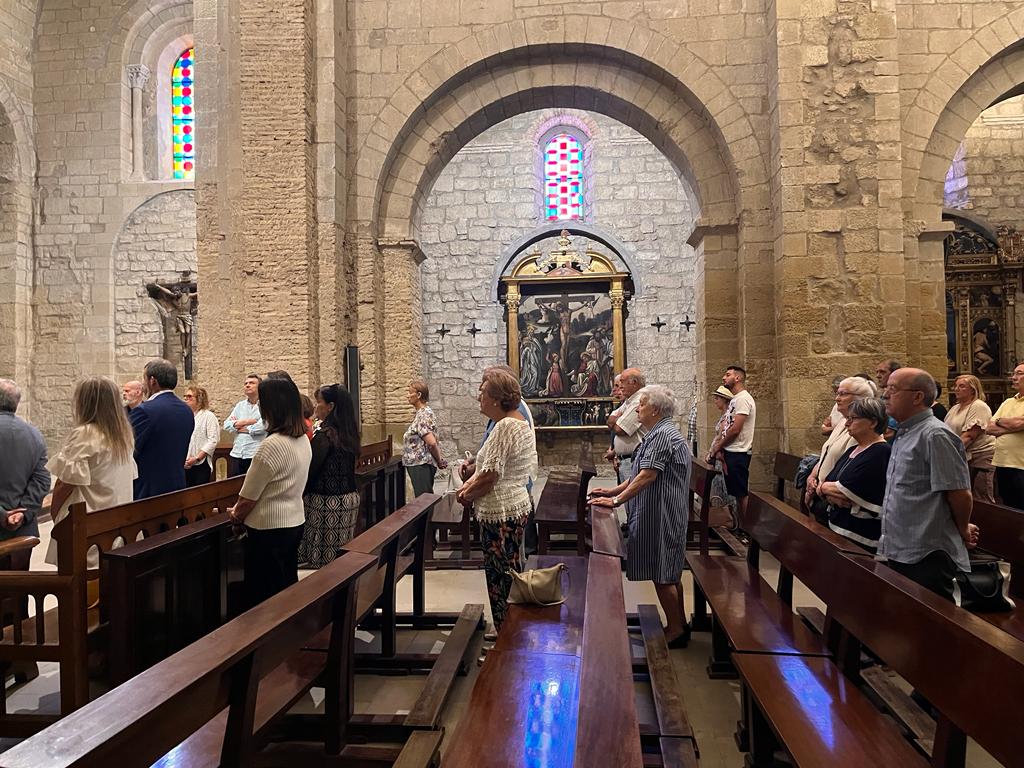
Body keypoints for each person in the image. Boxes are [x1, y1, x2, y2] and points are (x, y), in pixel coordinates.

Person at [591, 385, 692, 647]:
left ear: (656, 410)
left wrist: (614, 501)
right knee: (668, 571)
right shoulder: (657, 432)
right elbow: (640, 472)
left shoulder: (662, 436)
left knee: (663, 573)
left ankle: (676, 630)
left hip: (663, 512)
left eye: (642, 404)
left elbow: (647, 476)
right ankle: (677, 622)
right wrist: (614, 490)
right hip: (659, 509)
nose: (637, 408)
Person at [880, 368, 977, 602]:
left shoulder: (935, 435)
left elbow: (959, 493)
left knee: (928, 626)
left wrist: (963, 528)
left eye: (892, 389)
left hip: (926, 550)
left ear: (917, 397)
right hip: (900, 544)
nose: (885, 395)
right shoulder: (905, 433)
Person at [456, 368, 537, 632]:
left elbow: (490, 475)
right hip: (514, 507)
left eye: (482, 393)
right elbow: (489, 469)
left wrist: (466, 493)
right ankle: (513, 633)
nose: (478, 398)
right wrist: (471, 482)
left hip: (501, 513)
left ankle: (507, 640)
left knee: (501, 579)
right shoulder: (517, 422)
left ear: (495, 398)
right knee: (510, 572)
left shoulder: (504, 427)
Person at [228, 377, 312, 609]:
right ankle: (286, 636)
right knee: (285, 585)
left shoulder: (272, 445)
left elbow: (248, 497)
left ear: (272, 406)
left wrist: (235, 515)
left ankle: (265, 641)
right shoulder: (301, 439)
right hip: (294, 521)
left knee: (264, 595)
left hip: (268, 529)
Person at [46, 377, 137, 565]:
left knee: (80, 576)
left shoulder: (86, 433)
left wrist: (55, 514)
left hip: (86, 522)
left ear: (84, 403)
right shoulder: (124, 435)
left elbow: (65, 483)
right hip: (115, 519)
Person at [300, 384, 361, 568]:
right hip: (348, 499)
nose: (316, 406)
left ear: (330, 406)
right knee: (340, 558)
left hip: (326, 504)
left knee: (325, 564)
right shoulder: (349, 432)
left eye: (319, 402)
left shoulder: (326, 435)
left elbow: (311, 469)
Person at [818, 397, 890, 552]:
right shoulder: (853, 449)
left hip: (860, 538)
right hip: (838, 528)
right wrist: (825, 487)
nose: (846, 423)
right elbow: (831, 479)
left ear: (873, 422)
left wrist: (824, 488)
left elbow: (846, 489)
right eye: (847, 418)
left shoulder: (880, 452)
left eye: (853, 418)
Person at [804, 377, 875, 522]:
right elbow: (828, 453)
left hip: (835, 500)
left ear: (859, 399)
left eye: (843, 394)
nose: (837, 398)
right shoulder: (843, 422)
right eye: (837, 393)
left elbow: (848, 468)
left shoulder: (861, 429)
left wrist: (821, 488)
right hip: (823, 496)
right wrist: (812, 476)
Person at [0, 379, 49, 571]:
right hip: (22, 531)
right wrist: (23, 512)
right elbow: (42, 480)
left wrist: (3, 515)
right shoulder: (34, 434)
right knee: (17, 590)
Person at [128, 359, 194, 500]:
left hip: (148, 491)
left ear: (152, 381)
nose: (143, 384)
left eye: (144, 379)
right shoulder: (186, 410)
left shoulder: (145, 411)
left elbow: (129, 449)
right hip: (177, 486)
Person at [707, 365, 756, 519]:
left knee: (741, 493)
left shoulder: (743, 399)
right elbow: (726, 426)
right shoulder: (736, 399)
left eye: (727, 374)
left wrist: (718, 446)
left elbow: (735, 429)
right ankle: (741, 526)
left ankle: (747, 530)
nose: (724, 377)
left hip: (739, 452)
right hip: (731, 451)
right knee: (735, 492)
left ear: (738, 378)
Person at [945, 374, 995, 502]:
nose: (956, 389)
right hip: (962, 455)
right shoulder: (955, 408)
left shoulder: (978, 406)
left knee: (981, 496)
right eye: (955, 386)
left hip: (980, 457)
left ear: (973, 389)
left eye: (961, 386)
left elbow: (969, 436)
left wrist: (947, 453)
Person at [987, 363, 1024, 509]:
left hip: (1021, 464)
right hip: (1003, 463)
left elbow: (1020, 423)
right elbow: (989, 428)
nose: (1013, 378)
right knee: (1009, 507)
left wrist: (1001, 423)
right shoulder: (1008, 401)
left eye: (1019, 374)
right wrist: (1010, 425)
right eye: (1013, 374)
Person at [402, 380, 448, 497]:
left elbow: (431, 443)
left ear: (418, 395)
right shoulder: (422, 413)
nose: (407, 395)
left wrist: (439, 460)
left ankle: (427, 516)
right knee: (424, 499)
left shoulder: (424, 414)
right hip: (419, 463)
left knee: (424, 500)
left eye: (409, 392)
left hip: (421, 464)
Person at [224, 373, 267, 476]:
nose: (247, 385)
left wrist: (239, 427)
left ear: (260, 387)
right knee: (234, 488)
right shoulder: (240, 405)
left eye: (251, 383)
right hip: (237, 452)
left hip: (255, 453)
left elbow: (264, 425)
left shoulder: (266, 405)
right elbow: (227, 424)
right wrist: (247, 422)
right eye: (246, 383)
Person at [607, 368, 646, 482]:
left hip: (633, 461)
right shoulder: (629, 401)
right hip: (625, 460)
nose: (620, 386)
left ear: (634, 383)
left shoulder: (638, 400)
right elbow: (610, 420)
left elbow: (620, 429)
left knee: (631, 497)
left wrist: (615, 421)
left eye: (623, 382)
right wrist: (616, 420)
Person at [183, 385, 220, 487]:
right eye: (185, 396)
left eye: (190, 396)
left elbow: (213, 440)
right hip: (184, 462)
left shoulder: (208, 417)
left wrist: (197, 458)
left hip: (200, 463)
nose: (186, 399)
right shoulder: (184, 416)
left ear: (199, 400)